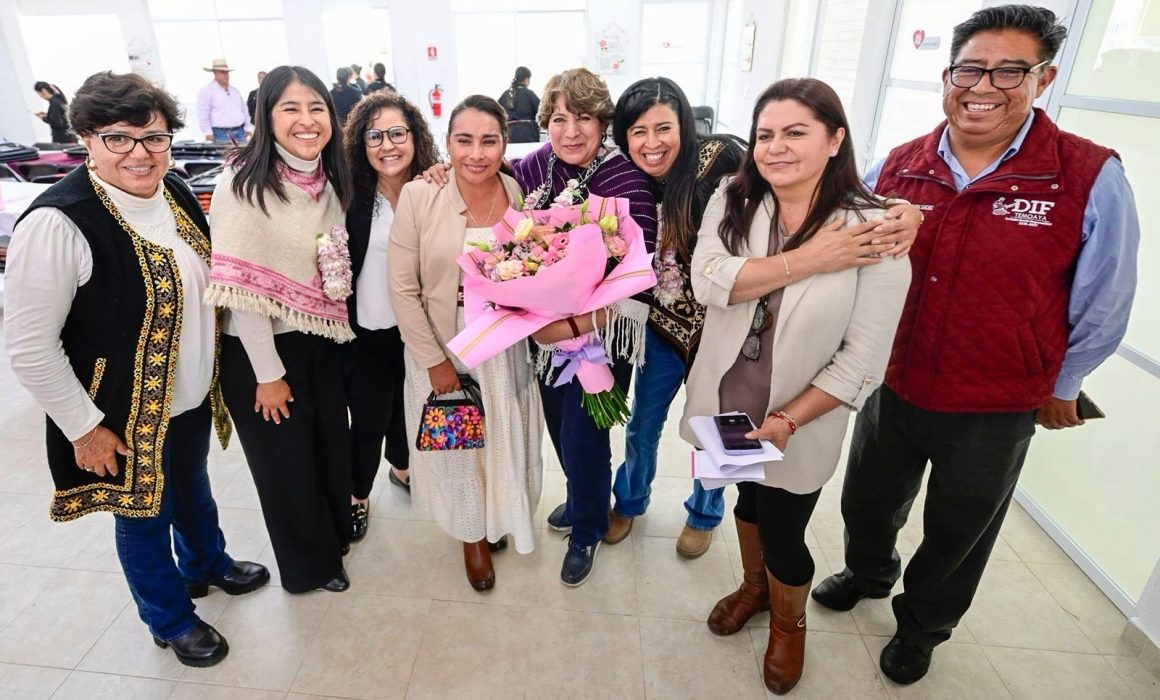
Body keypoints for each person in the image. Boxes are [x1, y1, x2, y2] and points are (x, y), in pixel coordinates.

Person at [811, 5, 1140, 686]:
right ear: (946, 75)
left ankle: (922, 627)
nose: (983, 85)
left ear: (1043, 78)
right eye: (970, 68)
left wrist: (1065, 384)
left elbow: (1106, 298)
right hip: (895, 380)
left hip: (995, 401)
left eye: (1009, 70)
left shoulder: (1085, 174)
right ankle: (869, 571)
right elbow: (857, 260)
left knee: (960, 530)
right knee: (867, 500)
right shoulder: (900, 164)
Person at [5, 71, 269, 668]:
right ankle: (169, 618)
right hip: (115, 413)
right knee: (143, 513)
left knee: (192, 488)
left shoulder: (173, 191)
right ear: (86, 139)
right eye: (117, 138)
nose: (139, 153)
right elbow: (28, 346)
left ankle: (206, 564)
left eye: (153, 137)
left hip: (188, 392)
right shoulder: (58, 222)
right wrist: (83, 427)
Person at [608, 78, 924, 560]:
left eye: (663, 128)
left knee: (728, 432)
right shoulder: (625, 176)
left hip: (727, 330)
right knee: (645, 424)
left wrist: (903, 212)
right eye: (637, 131)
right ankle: (629, 502)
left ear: (685, 125)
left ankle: (703, 513)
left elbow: (821, 187)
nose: (651, 143)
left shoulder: (726, 161)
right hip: (668, 326)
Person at [683, 78, 911, 693]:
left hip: (799, 413)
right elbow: (709, 281)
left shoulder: (876, 231)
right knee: (745, 499)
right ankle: (753, 590)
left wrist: (786, 420)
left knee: (785, 531)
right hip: (732, 395)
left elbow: (864, 360)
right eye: (765, 134)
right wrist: (810, 259)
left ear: (836, 139)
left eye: (795, 133)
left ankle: (789, 626)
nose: (775, 147)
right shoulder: (733, 200)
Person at [206, 65, 356, 594]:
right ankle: (308, 569)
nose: (306, 120)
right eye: (290, 108)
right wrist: (268, 374)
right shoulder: (243, 183)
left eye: (316, 107)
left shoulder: (324, 177)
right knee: (286, 467)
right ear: (265, 117)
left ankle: (333, 540)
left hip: (316, 338)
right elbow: (243, 290)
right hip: (260, 352)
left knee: (326, 447)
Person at [388, 95, 544, 591]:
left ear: (505, 143)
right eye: (464, 140)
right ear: (448, 143)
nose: (476, 153)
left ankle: (496, 514)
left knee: (500, 435)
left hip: (502, 344)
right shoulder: (420, 195)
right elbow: (402, 287)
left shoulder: (517, 193)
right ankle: (471, 537)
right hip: (443, 342)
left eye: (489, 141)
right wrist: (433, 361)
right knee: (459, 445)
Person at [519, 68, 656, 586]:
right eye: (558, 118)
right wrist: (440, 172)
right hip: (546, 334)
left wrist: (577, 321)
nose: (571, 131)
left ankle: (589, 527)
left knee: (585, 433)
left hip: (601, 334)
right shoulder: (539, 167)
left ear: (603, 124)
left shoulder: (624, 181)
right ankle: (581, 498)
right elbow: (492, 176)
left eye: (584, 118)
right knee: (559, 425)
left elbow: (637, 277)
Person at [341, 91, 441, 538]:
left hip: (423, 329)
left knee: (410, 408)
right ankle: (356, 495)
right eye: (374, 136)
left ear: (415, 137)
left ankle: (401, 467)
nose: (387, 145)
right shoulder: (352, 198)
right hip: (371, 328)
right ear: (362, 145)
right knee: (370, 416)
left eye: (397, 133)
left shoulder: (436, 189)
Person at [196, 58, 253, 144]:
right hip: (220, 133)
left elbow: (244, 110)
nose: (226, 75)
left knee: (243, 156)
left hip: (240, 131)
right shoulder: (206, 91)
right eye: (222, 72)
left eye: (227, 72)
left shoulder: (235, 91)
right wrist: (208, 132)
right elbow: (203, 113)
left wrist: (248, 127)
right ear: (215, 73)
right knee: (224, 157)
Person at [499, 66, 540, 143]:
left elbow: (497, 113)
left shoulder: (505, 95)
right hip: (528, 134)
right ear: (526, 79)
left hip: (509, 135)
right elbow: (541, 112)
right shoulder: (530, 94)